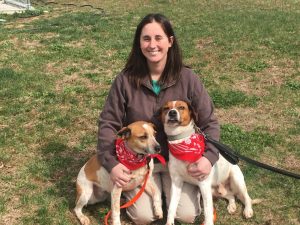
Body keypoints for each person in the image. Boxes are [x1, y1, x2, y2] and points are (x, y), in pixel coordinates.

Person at [97, 13, 220, 224]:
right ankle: (159, 192)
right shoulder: (125, 80)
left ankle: (184, 192)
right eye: (146, 39)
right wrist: (112, 164)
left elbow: (210, 123)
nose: (152, 45)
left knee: (187, 216)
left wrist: (208, 159)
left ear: (170, 41)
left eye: (158, 38)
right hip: (141, 162)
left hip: (182, 161)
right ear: (139, 43)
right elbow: (109, 123)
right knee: (143, 217)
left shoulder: (188, 78)